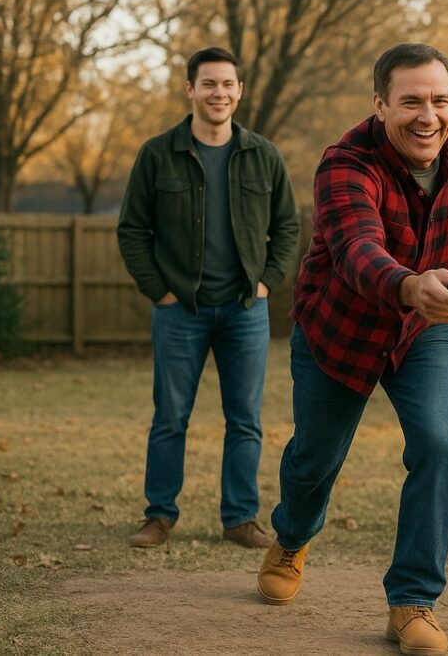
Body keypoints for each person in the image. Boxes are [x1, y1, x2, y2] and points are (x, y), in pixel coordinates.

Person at [256, 43, 448, 656]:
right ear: (380, 106)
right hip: (340, 329)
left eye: (440, 100)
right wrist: (406, 284)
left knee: (438, 445)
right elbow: (357, 248)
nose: (428, 116)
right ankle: (291, 538)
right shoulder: (345, 163)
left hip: (423, 332)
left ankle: (412, 602)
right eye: (411, 102)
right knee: (315, 459)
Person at [117, 47, 300, 549]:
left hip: (245, 309)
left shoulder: (264, 154)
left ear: (239, 91)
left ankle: (239, 519)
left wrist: (266, 282)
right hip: (182, 312)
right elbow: (132, 229)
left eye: (227, 85)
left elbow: (288, 226)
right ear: (190, 90)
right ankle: (159, 516)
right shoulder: (158, 153)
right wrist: (161, 290)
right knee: (170, 417)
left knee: (245, 419)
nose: (218, 93)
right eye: (208, 84)